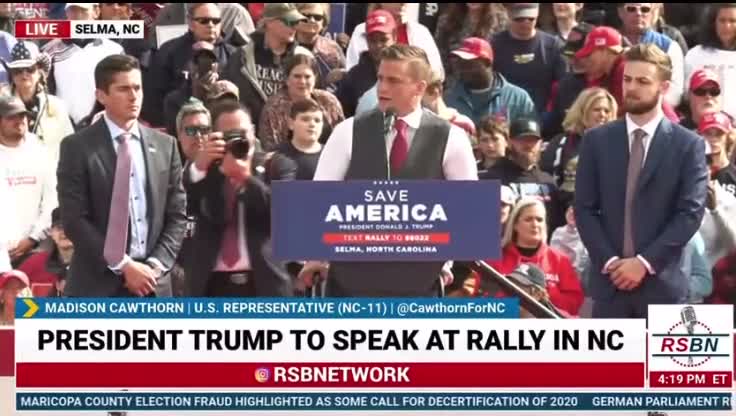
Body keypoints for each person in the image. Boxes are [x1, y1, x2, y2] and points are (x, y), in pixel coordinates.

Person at [300, 44, 478, 297]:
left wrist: (446, 261)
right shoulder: (348, 131)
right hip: (351, 286)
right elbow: (318, 200)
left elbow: (467, 212)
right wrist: (316, 256)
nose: (382, 88)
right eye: (380, 78)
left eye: (394, 80)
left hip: (419, 286)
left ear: (420, 87)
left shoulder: (451, 138)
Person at [574, 44, 708, 318]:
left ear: (664, 86)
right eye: (627, 79)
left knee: (664, 364)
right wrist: (611, 262)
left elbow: (690, 214)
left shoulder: (688, 145)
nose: (631, 88)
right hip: (608, 286)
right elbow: (584, 208)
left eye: (643, 81)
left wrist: (643, 263)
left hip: (663, 288)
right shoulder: (596, 141)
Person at [56, 54, 188, 298]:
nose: (134, 96)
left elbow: (177, 215)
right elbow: (75, 219)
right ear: (101, 96)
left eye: (137, 87)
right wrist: (124, 265)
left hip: (153, 285)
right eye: (123, 89)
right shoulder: (77, 147)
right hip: (96, 287)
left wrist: (155, 266)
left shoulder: (166, 146)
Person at [183, 100, 294, 297]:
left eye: (241, 133)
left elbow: (287, 215)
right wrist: (199, 168)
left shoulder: (276, 165)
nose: (236, 140)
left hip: (264, 285)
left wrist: (246, 178)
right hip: (211, 287)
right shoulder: (205, 169)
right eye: (228, 136)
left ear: (252, 131)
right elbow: (184, 207)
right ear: (215, 137)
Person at [485, 197, 584, 316]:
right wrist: (518, 299)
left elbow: (575, 302)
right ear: (515, 224)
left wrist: (544, 297)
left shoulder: (559, 260)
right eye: (528, 219)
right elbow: (483, 300)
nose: (535, 224)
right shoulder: (494, 258)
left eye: (539, 219)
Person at [223, 3, 312, 128]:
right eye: (289, 22)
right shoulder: (242, 57)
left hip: (291, 134)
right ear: (269, 22)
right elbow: (228, 99)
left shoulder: (303, 57)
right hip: (251, 133)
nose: (294, 27)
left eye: (296, 22)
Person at [42, 3, 124, 125]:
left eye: (83, 11)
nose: (78, 17)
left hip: (104, 125)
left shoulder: (114, 51)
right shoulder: (49, 51)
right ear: (66, 14)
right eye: (73, 11)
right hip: (63, 127)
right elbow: (46, 92)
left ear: (96, 12)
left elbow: (121, 90)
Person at [0, 95, 57, 268]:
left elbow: (52, 201)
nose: (19, 121)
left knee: (29, 297)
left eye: (22, 116)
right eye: (11, 117)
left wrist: (33, 238)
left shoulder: (41, 153)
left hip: (36, 251)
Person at [541, 87, 618, 212]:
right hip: (564, 212)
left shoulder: (619, 145)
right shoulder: (562, 142)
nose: (602, 114)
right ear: (582, 112)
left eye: (606, 110)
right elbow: (546, 177)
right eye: (597, 110)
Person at [481, 117, 564, 232]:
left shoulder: (549, 182)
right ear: (509, 143)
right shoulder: (490, 179)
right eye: (522, 139)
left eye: (533, 140)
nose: (528, 145)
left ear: (540, 143)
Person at [1, 41, 73, 166]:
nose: (24, 75)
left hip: (48, 176)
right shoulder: (1, 103)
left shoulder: (57, 106)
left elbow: (69, 146)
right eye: (18, 70)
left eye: (30, 69)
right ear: (11, 74)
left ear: (40, 72)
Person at [257, 53, 344, 151]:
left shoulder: (329, 101)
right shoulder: (274, 108)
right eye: (297, 76)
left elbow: (342, 137)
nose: (302, 81)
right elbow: (271, 148)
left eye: (307, 77)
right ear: (287, 80)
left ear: (315, 79)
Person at [443, 37, 535, 127]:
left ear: (487, 63)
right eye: (460, 64)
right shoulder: (448, 98)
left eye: (469, 64)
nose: (463, 69)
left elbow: (528, 139)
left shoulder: (517, 98)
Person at [617, 3, 685, 108]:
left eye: (645, 9)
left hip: (657, 110)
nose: (638, 13)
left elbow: (675, 93)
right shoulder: (610, 43)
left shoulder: (669, 46)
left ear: (653, 13)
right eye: (631, 9)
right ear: (620, 12)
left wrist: (646, 103)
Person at [335, 9, 397, 118]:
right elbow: (342, 118)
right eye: (373, 40)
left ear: (395, 37)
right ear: (366, 41)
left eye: (383, 40)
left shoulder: (408, 73)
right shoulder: (353, 78)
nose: (378, 45)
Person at [684, 3, 736, 120]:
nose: (727, 26)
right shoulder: (696, 54)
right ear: (713, 23)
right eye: (722, 21)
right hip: (704, 128)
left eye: (732, 21)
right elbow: (687, 96)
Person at [17, 208, 73, 297]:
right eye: (59, 227)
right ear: (51, 233)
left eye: (69, 227)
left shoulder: (92, 265)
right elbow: (11, 296)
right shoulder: (35, 262)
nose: (64, 232)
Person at [273, 98, 325, 180]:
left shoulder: (331, 155)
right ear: (291, 123)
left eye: (317, 120)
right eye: (305, 119)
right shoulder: (277, 155)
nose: (312, 124)